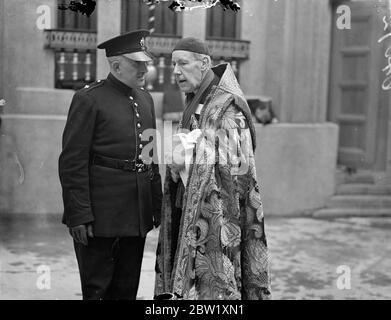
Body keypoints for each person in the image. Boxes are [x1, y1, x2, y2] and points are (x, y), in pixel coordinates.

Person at [154, 37, 271, 300]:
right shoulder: (195, 97)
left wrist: (186, 157)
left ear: (204, 63)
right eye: (173, 64)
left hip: (220, 217)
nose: (175, 71)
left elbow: (236, 161)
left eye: (182, 64)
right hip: (188, 210)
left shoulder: (229, 104)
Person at [58, 29, 162, 300]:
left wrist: (157, 206)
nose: (144, 69)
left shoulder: (146, 100)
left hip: (136, 216)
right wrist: (78, 214)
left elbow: (151, 157)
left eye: (145, 62)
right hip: (99, 219)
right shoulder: (89, 99)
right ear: (115, 65)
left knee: (127, 290)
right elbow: (72, 162)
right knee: (98, 291)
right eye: (137, 63)